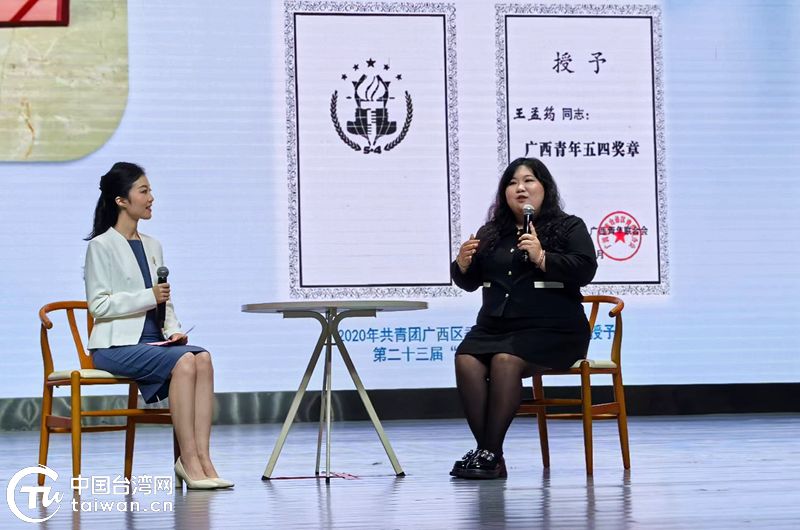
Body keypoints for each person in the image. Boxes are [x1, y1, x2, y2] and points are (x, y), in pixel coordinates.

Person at [84, 162, 232, 490]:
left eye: (150, 190)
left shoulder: (153, 245)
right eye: (144, 191)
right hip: (115, 346)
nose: (151, 198)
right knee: (185, 361)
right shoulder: (100, 246)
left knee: (203, 358)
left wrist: (173, 329)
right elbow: (99, 306)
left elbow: (165, 300)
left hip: (155, 342)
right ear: (121, 200)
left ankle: (203, 459)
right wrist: (147, 296)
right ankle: (188, 461)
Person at [450, 157, 598, 479]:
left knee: (505, 360)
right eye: (512, 182)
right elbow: (470, 282)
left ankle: (488, 453)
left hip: (554, 328)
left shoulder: (568, 226)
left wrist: (542, 257)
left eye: (529, 180)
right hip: (495, 326)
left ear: (545, 187)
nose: (520, 188)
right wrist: (461, 265)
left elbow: (585, 269)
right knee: (466, 359)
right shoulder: (491, 233)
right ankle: (490, 454)